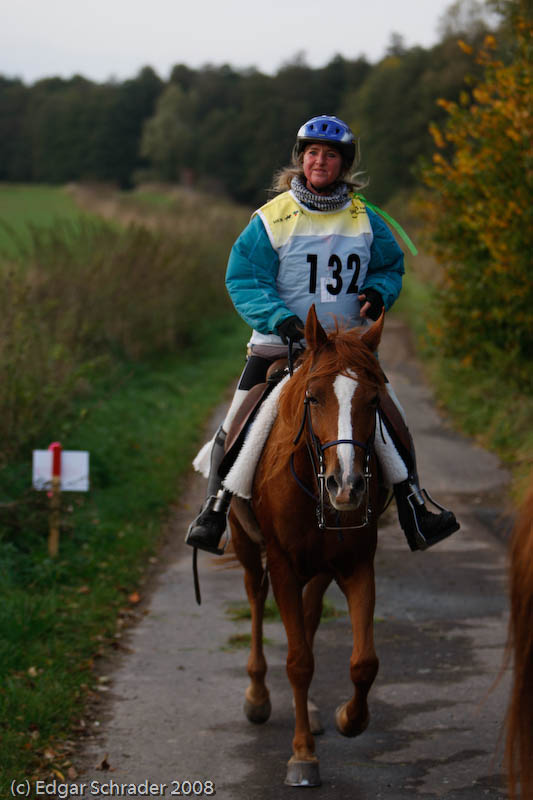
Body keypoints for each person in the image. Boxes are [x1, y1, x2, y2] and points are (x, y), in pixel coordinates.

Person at [186, 114, 459, 555]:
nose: (320, 161)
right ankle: (214, 509)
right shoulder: (270, 219)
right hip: (281, 344)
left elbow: (390, 267)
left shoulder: (367, 218)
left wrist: (379, 291)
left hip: (347, 349)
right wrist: (279, 317)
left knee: (394, 419)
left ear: (343, 165)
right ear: (301, 159)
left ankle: (414, 506)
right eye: (313, 153)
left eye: (330, 155)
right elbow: (244, 279)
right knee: (236, 423)